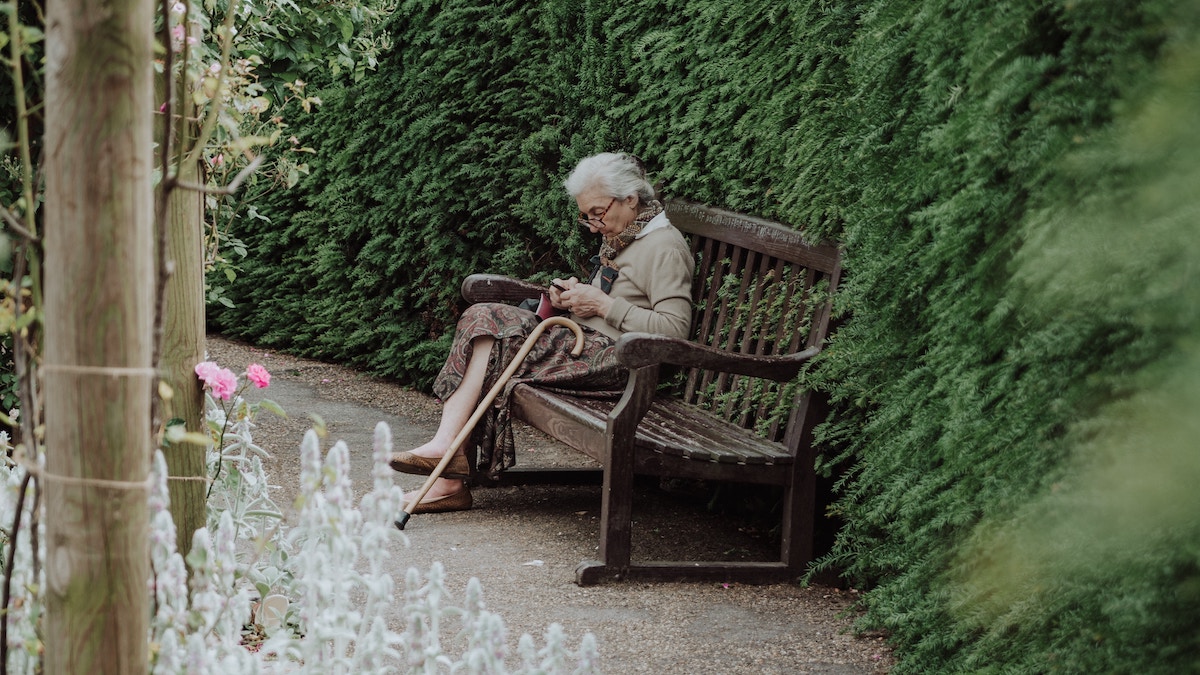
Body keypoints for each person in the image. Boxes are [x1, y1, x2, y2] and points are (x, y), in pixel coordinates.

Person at [390, 152, 695, 513]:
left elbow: (675, 331)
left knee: (491, 329)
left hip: (622, 364)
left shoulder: (663, 245)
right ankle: (448, 462)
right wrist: (571, 299)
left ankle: (448, 471)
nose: (594, 224)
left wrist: (602, 306)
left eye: (598, 212)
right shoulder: (627, 234)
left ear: (631, 198)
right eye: (586, 216)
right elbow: (615, 300)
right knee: (483, 321)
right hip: (587, 346)